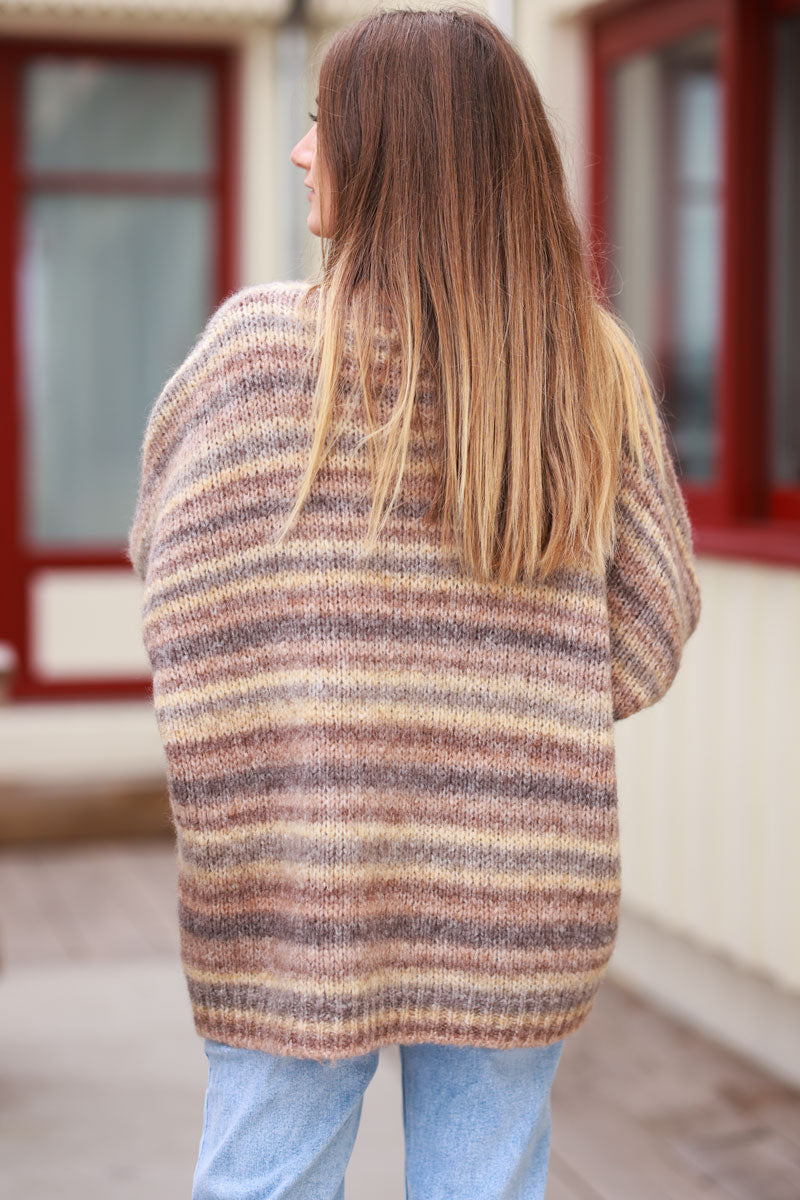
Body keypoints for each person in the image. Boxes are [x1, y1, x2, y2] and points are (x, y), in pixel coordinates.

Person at [127, 7, 702, 1199]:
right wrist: (505, 705)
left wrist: (311, 707)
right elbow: (650, 627)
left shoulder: (251, 355)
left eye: (321, 124)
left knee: (264, 1183)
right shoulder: (584, 369)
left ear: (393, 147)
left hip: (296, 884)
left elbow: (172, 583)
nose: (300, 151)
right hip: (517, 884)